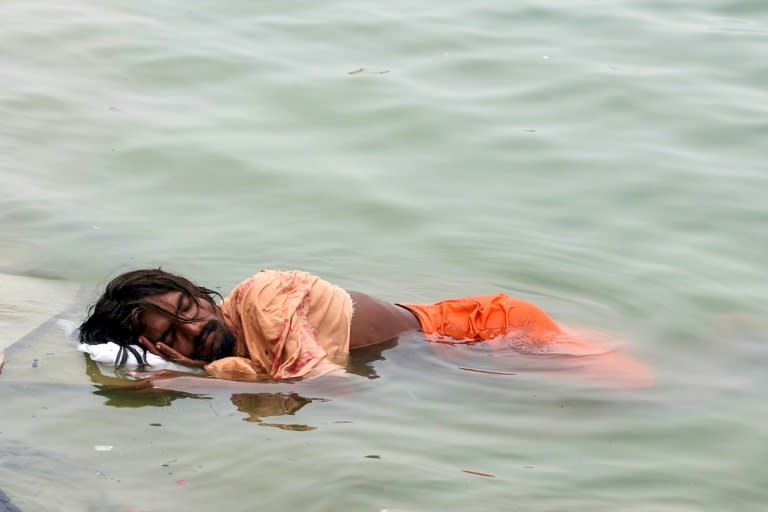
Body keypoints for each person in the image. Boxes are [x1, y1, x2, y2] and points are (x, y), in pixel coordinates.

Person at [78, 268, 653, 386]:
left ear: (203, 295)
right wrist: (193, 366)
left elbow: (330, 385)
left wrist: (188, 378)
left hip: (485, 329)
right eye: (170, 332)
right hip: (450, 357)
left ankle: (734, 350)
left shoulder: (264, 298)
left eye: (187, 306)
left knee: (641, 392)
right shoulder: (240, 355)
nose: (192, 327)